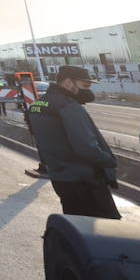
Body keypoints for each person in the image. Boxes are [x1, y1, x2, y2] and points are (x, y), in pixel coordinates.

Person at [26, 65, 120, 218]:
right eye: (85, 85)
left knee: (76, 226)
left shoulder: (37, 104)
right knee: (106, 230)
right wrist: (109, 161)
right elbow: (86, 147)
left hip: (60, 178)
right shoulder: (68, 106)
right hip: (84, 180)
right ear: (68, 83)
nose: (88, 90)